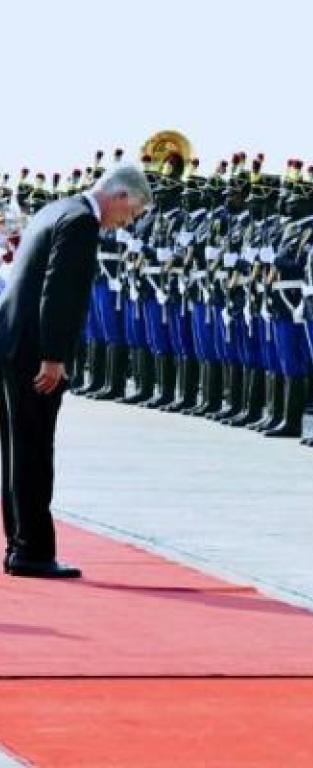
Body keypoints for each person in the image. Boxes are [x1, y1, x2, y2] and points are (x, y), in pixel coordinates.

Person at [0, 164, 151, 578]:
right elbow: (59, 291)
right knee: (33, 449)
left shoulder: (56, 209)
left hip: (11, 341)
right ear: (120, 196)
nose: (127, 222)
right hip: (34, 351)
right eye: (132, 213)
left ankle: (19, 544)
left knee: (15, 449)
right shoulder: (82, 222)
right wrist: (53, 356)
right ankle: (32, 551)